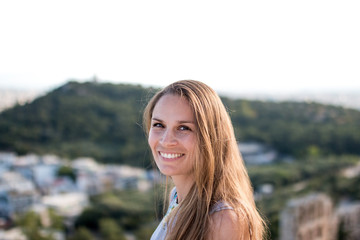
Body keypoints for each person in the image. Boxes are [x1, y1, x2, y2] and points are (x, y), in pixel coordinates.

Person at [143, 80, 266, 240]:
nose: (166, 141)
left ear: (210, 137)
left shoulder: (223, 219)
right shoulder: (177, 198)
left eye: (184, 128)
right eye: (159, 125)